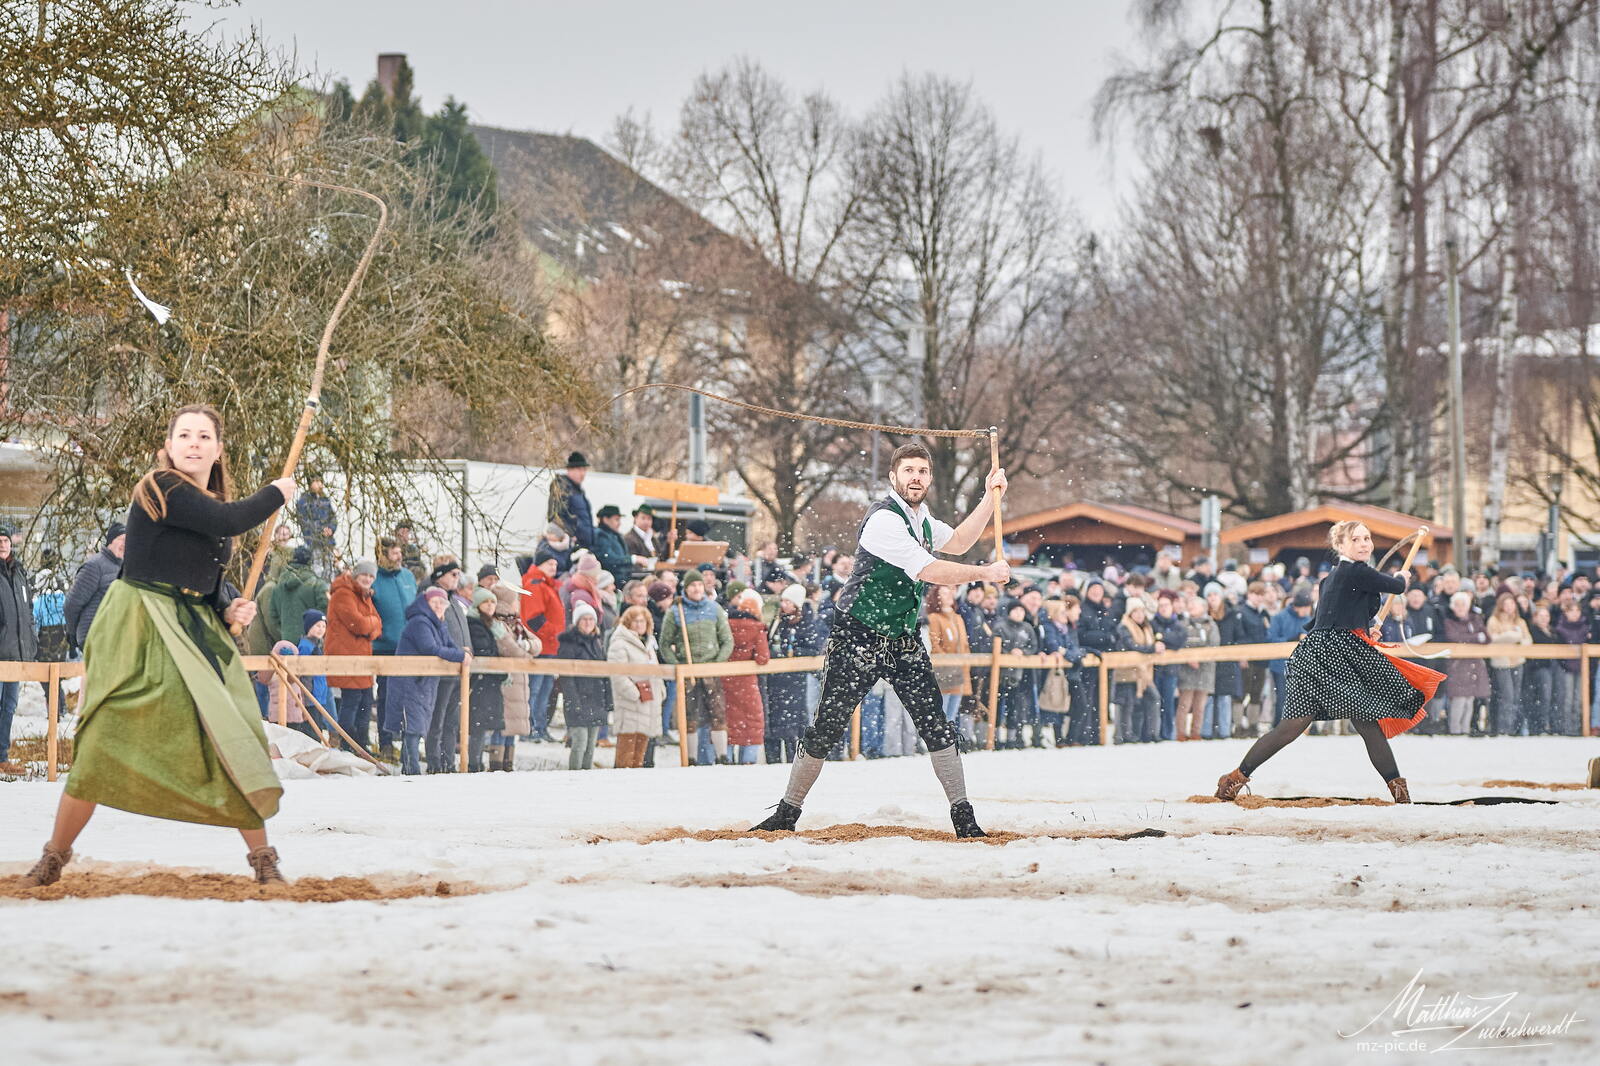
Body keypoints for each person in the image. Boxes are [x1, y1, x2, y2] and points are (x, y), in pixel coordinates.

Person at [21, 404, 295, 888]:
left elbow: (203, 577)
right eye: (184, 435)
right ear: (168, 447)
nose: (193, 443)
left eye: (203, 436)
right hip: (141, 623)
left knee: (224, 734)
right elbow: (233, 519)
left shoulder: (205, 504)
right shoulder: (161, 487)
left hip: (191, 627)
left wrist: (226, 607)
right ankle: (54, 856)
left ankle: (263, 859)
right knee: (104, 738)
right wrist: (277, 492)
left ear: (217, 448)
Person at [748, 443, 1008, 838]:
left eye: (922, 470)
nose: (916, 477)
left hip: (902, 637)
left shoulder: (920, 519)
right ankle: (787, 812)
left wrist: (991, 498)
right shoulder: (884, 520)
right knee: (827, 727)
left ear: (930, 478)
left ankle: (963, 815)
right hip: (858, 635)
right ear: (893, 477)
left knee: (936, 725)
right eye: (908, 471)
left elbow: (957, 541)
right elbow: (930, 570)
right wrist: (987, 573)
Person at [1215, 521, 1442, 805]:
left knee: (1314, 724)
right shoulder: (1354, 570)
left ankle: (1234, 779)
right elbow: (1396, 585)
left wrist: (1366, 626)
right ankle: (1399, 794)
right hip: (1331, 655)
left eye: (1367, 538)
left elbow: (1328, 617)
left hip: (1322, 652)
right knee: (1323, 724)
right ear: (1341, 546)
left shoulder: (1333, 578)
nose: (1364, 544)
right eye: (1356, 539)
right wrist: (1402, 576)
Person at [387, 587, 468, 775]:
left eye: (443, 603)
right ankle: (412, 770)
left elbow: (450, 646)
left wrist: (461, 653)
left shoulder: (439, 624)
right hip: (409, 681)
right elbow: (430, 647)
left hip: (424, 682)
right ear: (426, 603)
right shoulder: (420, 622)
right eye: (435, 602)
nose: (439, 606)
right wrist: (461, 656)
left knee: (418, 725)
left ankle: (410, 768)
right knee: (412, 727)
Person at [660, 569, 734, 763]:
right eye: (693, 585)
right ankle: (690, 757)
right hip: (688, 671)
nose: (696, 588)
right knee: (689, 717)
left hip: (711, 670)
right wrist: (677, 666)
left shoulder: (714, 609)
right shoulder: (676, 611)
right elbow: (664, 643)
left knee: (718, 714)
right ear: (686, 588)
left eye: (699, 585)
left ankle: (722, 756)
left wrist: (717, 664)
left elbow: (727, 640)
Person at [764, 583, 826, 763]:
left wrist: (790, 652)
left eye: (787, 601)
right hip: (776, 680)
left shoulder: (808, 622)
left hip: (796, 681)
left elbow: (813, 649)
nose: (783, 605)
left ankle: (794, 760)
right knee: (775, 723)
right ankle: (773, 759)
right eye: (782, 600)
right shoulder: (778, 621)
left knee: (794, 725)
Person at [326, 560, 382, 752]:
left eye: (371, 576)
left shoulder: (364, 596)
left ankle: (360, 746)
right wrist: (370, 624)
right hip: (347, 655)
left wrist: (371, 625)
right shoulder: (343, 594)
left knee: (365, 702)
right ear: (356, 575)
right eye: (364, 575)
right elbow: (358, 624)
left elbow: (377, 625)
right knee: (351, 703)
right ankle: (348, 746)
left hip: (362, 657)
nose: (367, 579)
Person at [369, 537, 417, 756]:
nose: (399, 557)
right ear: (383, 555)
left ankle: (410, 742)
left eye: (400, 552)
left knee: (411, 696)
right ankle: (386, 741)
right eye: (395, 553)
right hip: (385, 646)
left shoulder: (407, 576)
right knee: (387, 696)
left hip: (410, 646)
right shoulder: (374, 579)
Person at [423, 561, 471, 771]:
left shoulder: (455, 603)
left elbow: (463, 634)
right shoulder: (432, 599)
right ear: (440, 576)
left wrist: (468, 651)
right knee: (437, 719)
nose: (456, 578)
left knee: (452, 721)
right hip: (440, 669)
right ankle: (434, 762)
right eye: (453, 574)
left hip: (458, 670)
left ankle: (448, 761)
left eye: (458, 574)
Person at [0, 525, 37, 769]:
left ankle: (1, 756)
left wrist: (31, 639)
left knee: (9, 706)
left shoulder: (19, 573)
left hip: (14, 653)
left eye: (5, 540)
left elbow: (27, 611)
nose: (2, 544)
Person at [557, 602, 610, 769]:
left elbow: (605, 673)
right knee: (580, 742)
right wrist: (574, 701)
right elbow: (566, 677)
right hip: (578, 698)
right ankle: (575, 775)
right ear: (577, 622)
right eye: (584, 619)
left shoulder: (597, 642)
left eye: (591, 619)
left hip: (596, 699)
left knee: (590, 746)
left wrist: (608, 699)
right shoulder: (569, 643)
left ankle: (587, 776)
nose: (588, 623)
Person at [608, 604, 662, 769]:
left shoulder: (648, 643)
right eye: (636, 621)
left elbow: (656, 669)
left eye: (643, 621)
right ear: (628, 623)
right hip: (630, 702)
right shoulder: (620, 643)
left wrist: (660, 690)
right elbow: (617, 674)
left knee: (641, 750)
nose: (640, 625)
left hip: (649, 699)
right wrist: (635, 693)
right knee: (627, 749)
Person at [521, 550, 565, 743]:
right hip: (540, 647)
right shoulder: (535, 585)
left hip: (549, 647)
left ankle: (539, 726)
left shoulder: (546, 585)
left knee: (544, 690)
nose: (553, 568)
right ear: (538, 565)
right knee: (535, 689)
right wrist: (553, 633)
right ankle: (530, 727)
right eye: (549, 564)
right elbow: (533, 618)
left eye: (555, 564)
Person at [724, 589, 772, 764]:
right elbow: (762, 658)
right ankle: (748, 763)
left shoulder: (726, 624)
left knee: (728, 721)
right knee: (752, 723)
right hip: (747, 683)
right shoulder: (757, 628)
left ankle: (726, 760)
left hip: (726, 680)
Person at [64, 523, 125, 654]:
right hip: (95, 637)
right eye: (121, 539)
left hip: (115, 639)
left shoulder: (124, 569)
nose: (125, 544)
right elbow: (72, 604)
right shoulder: (95, 566)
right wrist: (73, 634)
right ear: (110, 541)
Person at [465, 588, 506, 772]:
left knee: (482, 727)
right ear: (478, 605)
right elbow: (484, 652)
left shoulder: (490, 624)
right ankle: (474, 763)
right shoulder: (475, 624)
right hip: (481, 682)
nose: (490, 605)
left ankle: (477, 762)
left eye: (493, 602)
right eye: (486, 602)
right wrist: (501, 670)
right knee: (477, 727)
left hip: (488, 683)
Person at [925, 586, 972, 744]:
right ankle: (938, 739)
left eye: (949, 592)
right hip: (943, 669)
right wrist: (948, 661)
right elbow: (935, 644)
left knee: (953, 709)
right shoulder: (934, 618)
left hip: (959, 668)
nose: (949, 595)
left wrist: (963, 660)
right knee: (942, 707)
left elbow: (964, 643)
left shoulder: (957, 618)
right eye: (944, 592)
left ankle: (949, 738)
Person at [1485, 591, 1531, 736]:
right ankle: (1503, 727)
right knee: (1507, 695)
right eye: (1506, 604)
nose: (1510, 607)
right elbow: (1493, 638)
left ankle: (1512, 727)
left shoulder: (1520, 622)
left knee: (1516, 696)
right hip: (1501, 662)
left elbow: (1527, 640)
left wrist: (1513, 639)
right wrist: (1513, 636)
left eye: (1512, 604)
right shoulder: (1494, 620)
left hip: (1517, 661)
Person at [1265, 591, 1314, 726]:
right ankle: (1278, 724)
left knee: (1299, 698)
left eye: (1308, 607)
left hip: (1300, 665)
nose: (1306, 610)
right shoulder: (1279, 617)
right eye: (1304, 607)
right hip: (1280, 664)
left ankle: (1296, 725)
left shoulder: (1307, 620)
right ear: (1296, 607)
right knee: (1282, 696)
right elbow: (1271, 639)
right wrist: (1290, 640)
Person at [1176, 595, 1219, 741]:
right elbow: (1180, 643)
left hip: (1205, 669)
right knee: (1184, 704)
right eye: (1191, 604)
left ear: (1203, 608)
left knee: (1200, 705)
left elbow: (1213, 644)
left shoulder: (1210, 625)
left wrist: (1201, 658)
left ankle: (1196, 732)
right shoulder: (1183, 624)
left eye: (1195, 604)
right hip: (1187, 669)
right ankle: (1181, 733)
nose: (1192, 606)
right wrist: (1189, 658)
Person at [549, 452, 594, 550]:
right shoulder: (561, 487)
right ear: (569, 470)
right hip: (571, 545)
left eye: (584, 470)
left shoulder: (578, 491)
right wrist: (569, 535)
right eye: (579, 469)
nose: (583, 473)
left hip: (582, 545)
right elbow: (557, 515)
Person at [294, 476, 337, 577]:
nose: (320, 485)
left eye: (321, 482)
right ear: (310, 483)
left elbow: (333, 517)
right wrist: (321, 531)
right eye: (317, 481)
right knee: (316, 568)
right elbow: (305, 522)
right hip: (313, 541)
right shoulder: (303, 501)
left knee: (329, 568)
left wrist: (330, 529)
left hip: (328, 541)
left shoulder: (325, 499)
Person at [295, 610, 332, 724]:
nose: (321, 629)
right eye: (317, 626)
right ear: (309, 627)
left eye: (323, 626)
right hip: (310, 697)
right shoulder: (306, 646)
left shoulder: (318, 645)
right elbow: (302, 673)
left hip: (319, 695)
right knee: (311, 729)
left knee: (318, 726)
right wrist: (306, 696)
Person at [592, 504, 638, 589]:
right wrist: (632, 559)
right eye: (616, 519)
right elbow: (609, 559)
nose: (619, 523)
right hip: (610, 582)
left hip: (618, 580)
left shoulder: (614, 535)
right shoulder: (601, 536)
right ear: (606, 519)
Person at [623, 504, 668, 571]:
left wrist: (669, 543)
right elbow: (632, 564)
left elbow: (661, 557)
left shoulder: (653, 539)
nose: (646, 522)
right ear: (636, 518)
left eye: (649, 519)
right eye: (643, 518)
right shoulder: (629, 538)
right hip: (639, 576)